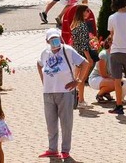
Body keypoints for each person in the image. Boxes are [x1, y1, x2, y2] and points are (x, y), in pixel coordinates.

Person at [37, 28, 89, 159]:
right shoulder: (45, 53)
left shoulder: (68, 50)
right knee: (51, 122)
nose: (55, 41)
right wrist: (43, 80)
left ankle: (65, 150)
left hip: (65, 92)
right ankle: (52, 148)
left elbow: (85, 63)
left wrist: (77, 81)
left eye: (56, 38)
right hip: (48, 92)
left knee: (66, 122)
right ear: (47, 41)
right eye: (51, 39)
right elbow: (39, 64)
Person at [70, 5, 93, 108]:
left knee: (76, 77)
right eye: (87, 11)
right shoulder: (83, 25)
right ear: (82, 12)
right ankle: (81, 100)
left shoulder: (75, 24)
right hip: (81, 55)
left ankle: (75, 99)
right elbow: (84, 44)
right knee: (81, 79)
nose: (89, 13)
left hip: (75, 53)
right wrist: (89, 58)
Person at [89, 37, 116, 103]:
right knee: (117, 82)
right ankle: (99, 95)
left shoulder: (115, 54)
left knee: (121, 82)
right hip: (95, 78)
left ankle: (106, 92)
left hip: (106, 78)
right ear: (109, 43)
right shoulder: (103, 54)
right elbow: (103, 74)